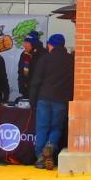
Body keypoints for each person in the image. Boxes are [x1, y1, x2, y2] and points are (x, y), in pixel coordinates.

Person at [30, 33, 74, 170]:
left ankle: (40, 157)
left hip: (44, 98)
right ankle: (50, 145)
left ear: (51, 45)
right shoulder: (70, 60)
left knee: (42, 127)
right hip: (60, 100)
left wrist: (33, 101)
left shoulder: (45, 59)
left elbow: (36, 81)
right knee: (56, 127)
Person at [17, 30, 44, 101]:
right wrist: (21, 86)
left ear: (33, 44)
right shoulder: (24, 54)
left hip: (39, 93)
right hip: (25, 91)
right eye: (24, 42)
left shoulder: (42, 54)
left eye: (27, 43)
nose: (24, 45)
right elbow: (20, 72)